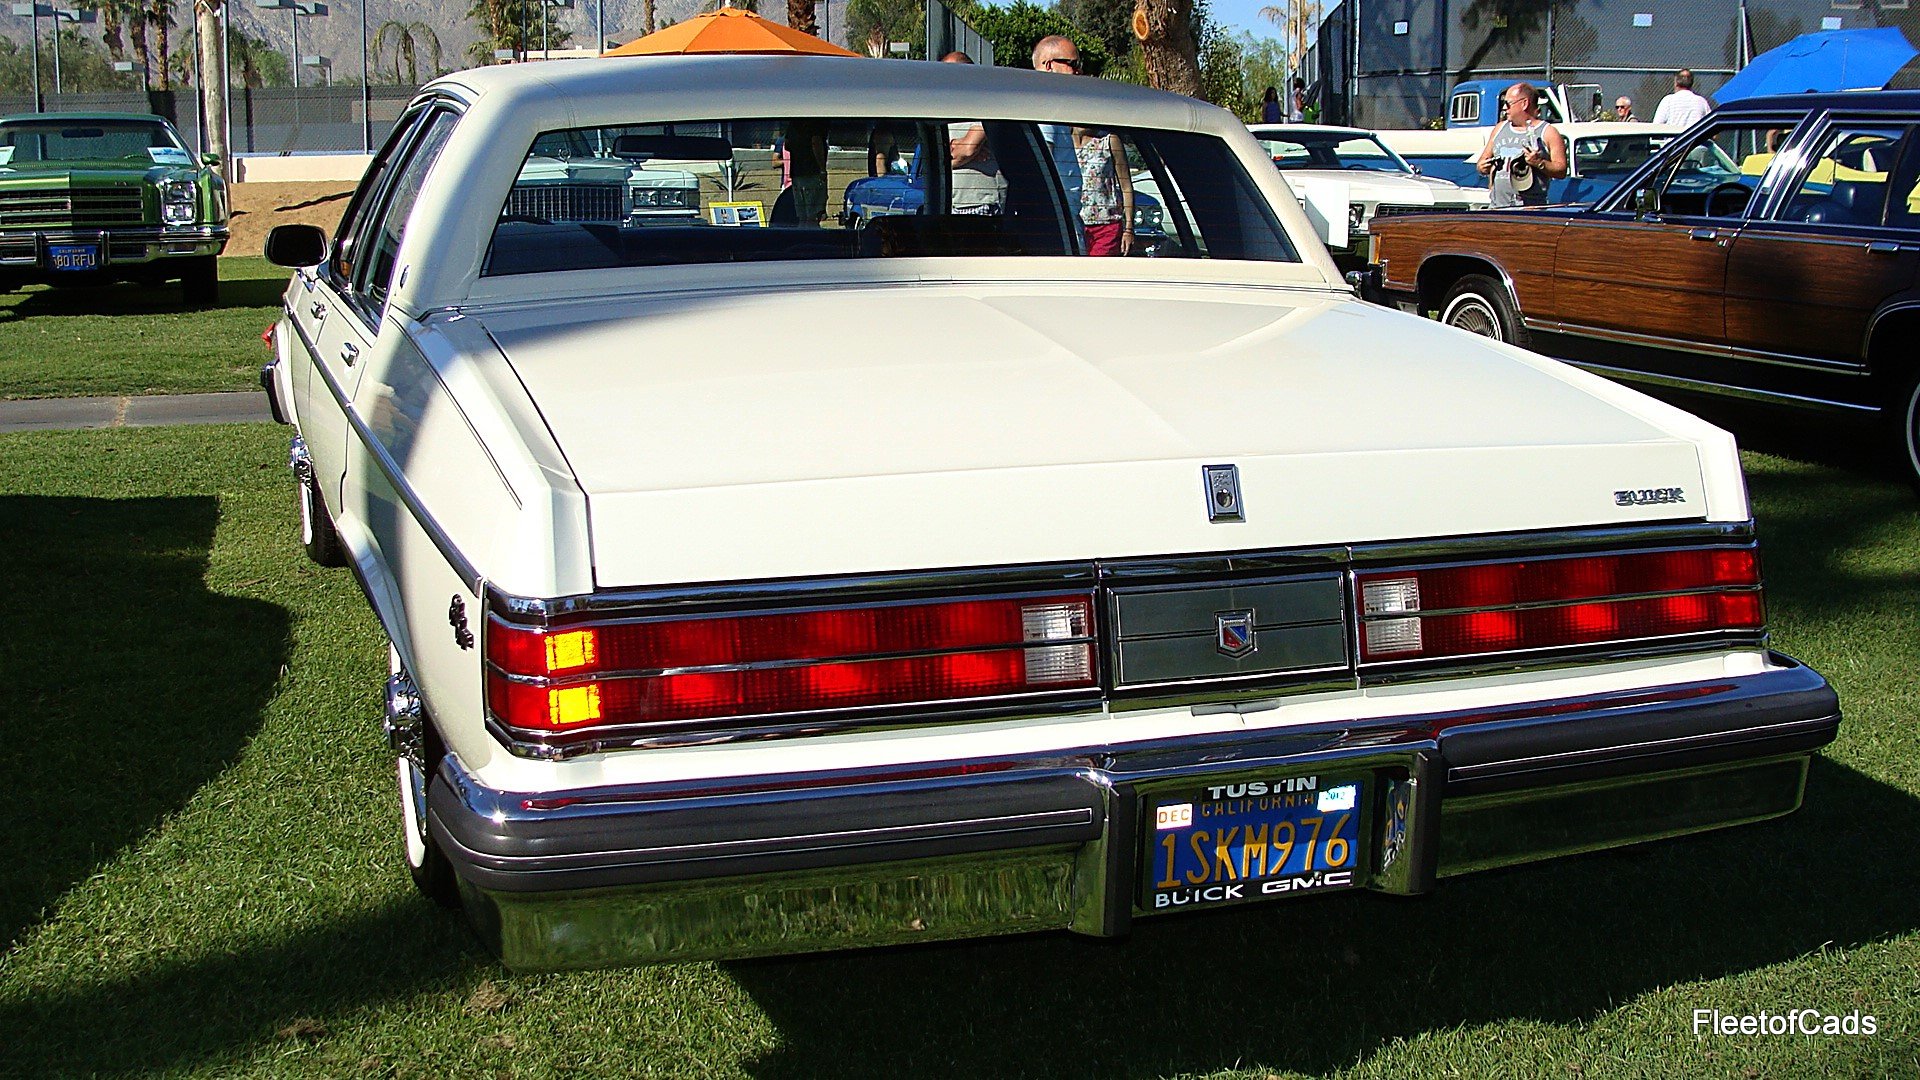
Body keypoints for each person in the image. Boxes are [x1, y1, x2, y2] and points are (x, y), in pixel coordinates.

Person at [1476, 81, 1568, 209]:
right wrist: (1482, 167)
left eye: (1508, 103)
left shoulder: (1548, 132)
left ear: (1524, 104)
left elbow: (1561, 170)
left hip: (1529, 211)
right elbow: (1483, 160)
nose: (1504, 108)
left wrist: (1539, 163)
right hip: (1497, 208)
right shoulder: (1499, 128)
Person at [1032, 35, 1087, 244]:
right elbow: (1042, 165)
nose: (1078, 72)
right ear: (1049, 65)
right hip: (1057, 222)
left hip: (1062, 218)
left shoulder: (1049, 104)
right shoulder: (1044, 105)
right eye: (1072, 64)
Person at [942, 51, 1005, 214]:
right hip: (950, 204)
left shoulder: (986, 105)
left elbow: (968, 150)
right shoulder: (943, 112)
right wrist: (959, 150)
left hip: (981, 203)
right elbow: (934, 158)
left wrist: (958, 151)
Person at [1074, 124, 1134, 255]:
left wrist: (1129, 229)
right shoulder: (1062, 142)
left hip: (1106, 226)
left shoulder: (1109, 140)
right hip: (1072, 225)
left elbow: (1126, 187)